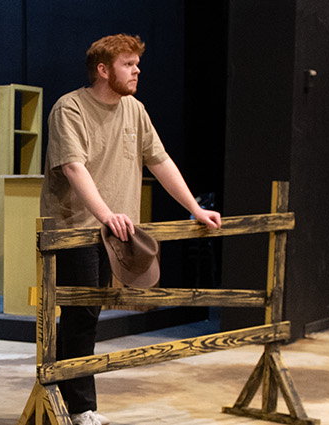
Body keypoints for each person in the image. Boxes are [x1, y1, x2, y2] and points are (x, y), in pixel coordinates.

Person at [41, 34, 224, 425]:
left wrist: (195, 209)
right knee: (80, 314)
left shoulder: (135, 110)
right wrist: (107, 214)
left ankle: (69, 395)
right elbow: (74, 168)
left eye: (137, 63)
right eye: (128, 63)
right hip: (77, 229)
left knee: (91, 315)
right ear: (104, 70)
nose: (137, 69)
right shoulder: (69, 108)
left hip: (114, 232)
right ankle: (79, 408)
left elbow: (160, 161)